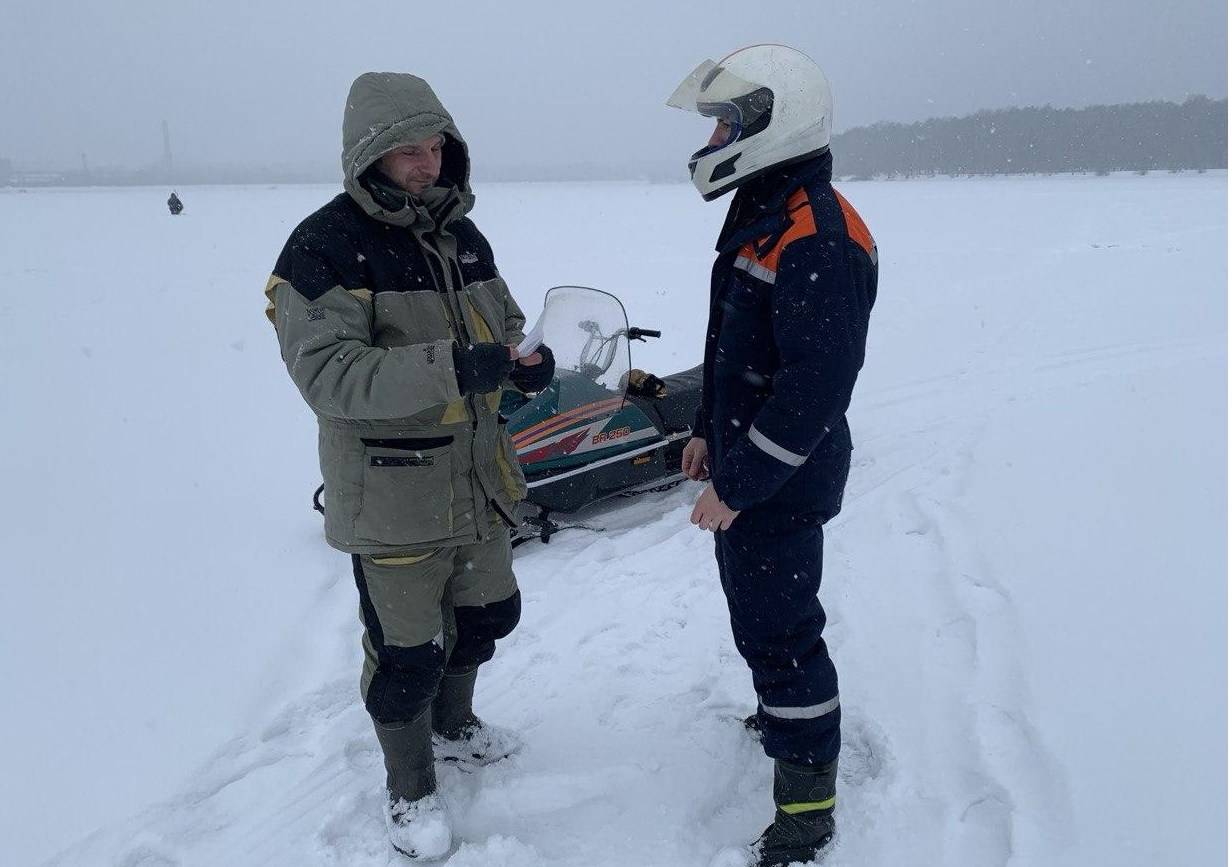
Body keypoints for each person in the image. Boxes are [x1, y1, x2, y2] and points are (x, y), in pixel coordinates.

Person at [264, 71, 554, 860]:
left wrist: (522, 358)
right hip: (393, 497)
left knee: (488, 617)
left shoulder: (465, 237)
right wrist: (457, 366)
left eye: (436, 149)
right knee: (405, 657)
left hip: (478, 483)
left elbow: (506, 320)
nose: (427, 166)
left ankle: (455, 727)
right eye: (407, 152)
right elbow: (329, 377)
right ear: (368, 156)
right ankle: (411, 785)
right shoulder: (323, 247)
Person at [667, 45, 878, 866]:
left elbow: (813, 389)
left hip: (784, 475)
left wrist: (742, 481)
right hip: (753, 466)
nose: (717, 135)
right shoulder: (769, 208)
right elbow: (736, 350)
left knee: (782, 631)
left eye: (729, 121)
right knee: (761, 617)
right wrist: (703, 435)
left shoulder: (817, 235)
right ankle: (782, 711)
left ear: (772, 122)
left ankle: (808, 805)